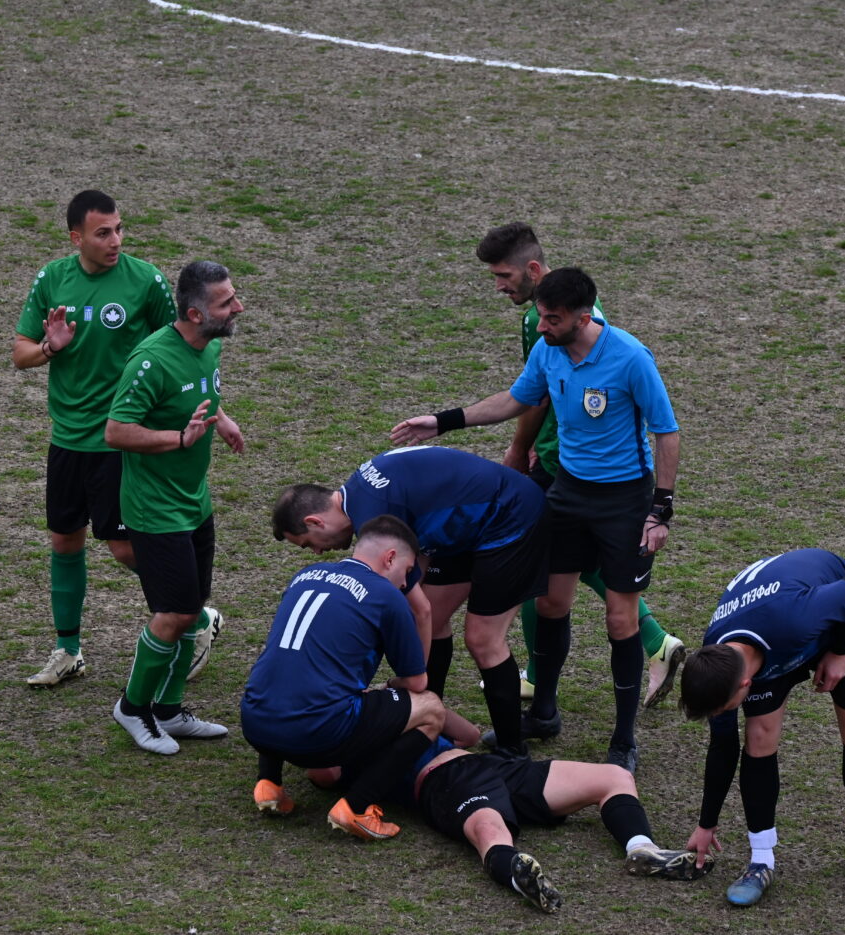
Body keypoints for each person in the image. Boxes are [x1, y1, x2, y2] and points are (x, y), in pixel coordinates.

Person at [391, 267, 680, 773]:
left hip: (623, 503)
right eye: (541, 316)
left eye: (552, 318)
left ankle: (623, 738)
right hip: (567, 493)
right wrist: (442, 421)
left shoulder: (631, 357)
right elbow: (514, 400)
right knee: (550, 602)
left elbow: (667, 432)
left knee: (620, 619)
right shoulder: (549, 351)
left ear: (583, 317)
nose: (541, 326)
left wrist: (660, 509)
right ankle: (544, 711)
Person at [13, 190, 222, 687]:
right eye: (103, 232)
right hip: (67, 440)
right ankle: (68, 651)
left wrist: (217, 409)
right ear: (76, 237)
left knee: (127, 549)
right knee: (65, 542)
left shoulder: (144, 280)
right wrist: (49, 347)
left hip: (117, 443)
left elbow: (176, 349)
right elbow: (20, 352)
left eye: (119, 229)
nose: (115, 240)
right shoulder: (52, 279)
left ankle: (194, 618)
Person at [475, 222, 686, 709]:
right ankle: (655, 642)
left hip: (566, 462)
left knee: (544, 572)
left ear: (533, 269)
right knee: (570, 566)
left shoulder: (547, 319)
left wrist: (520, 451)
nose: (499, 285)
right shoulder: (567, 307)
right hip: (568, 462)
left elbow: (538, 398)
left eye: (504, 275)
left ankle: (541, 676)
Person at [270, 446, 548, 756]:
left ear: (315, 522)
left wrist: (412, 680)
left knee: (483, 639)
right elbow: (420, 587)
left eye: (309, 544)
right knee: (436, 618)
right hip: (467, 524)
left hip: (510, 515)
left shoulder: (373, 522)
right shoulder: (360, 494)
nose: (319, 553)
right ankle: (429, 720)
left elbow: (419, 610)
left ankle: (512, 751)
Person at [677, 549, 845, 906]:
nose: (721, 715)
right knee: (759, 736)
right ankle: (761, 861)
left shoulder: (794, 619)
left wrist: (840, 652)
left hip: (839, 620)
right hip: (775, 644)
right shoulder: (716, 660)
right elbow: (723, 747)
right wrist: (706, 823)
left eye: (723, 709)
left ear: (743, 686)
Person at [300, 738, 714, 913]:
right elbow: (322, 774)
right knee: (489, 829)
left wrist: (417, 705)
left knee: (613, 777)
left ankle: (641, 847)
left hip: (497, 767)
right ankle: (518, 874)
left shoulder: (395, 705)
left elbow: (465, 732)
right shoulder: (348, 747)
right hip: (444, 783)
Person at [104, 260, 246, 755]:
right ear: (193, 312)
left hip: (194, 501)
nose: (238, 307)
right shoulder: (151, 360)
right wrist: (178, 438)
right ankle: (133, 707)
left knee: (191, 611)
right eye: (227, 302)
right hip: (154, 509)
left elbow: (201, 391)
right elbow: (116, 431)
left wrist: (222, 420)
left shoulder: (209, 345)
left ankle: (169, 710)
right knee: (174, 613)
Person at [242, 515, 445, 840]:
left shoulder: (304, 575)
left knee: (290, 673)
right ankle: (356, 806)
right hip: (317, 732)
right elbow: (417, 683)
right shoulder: (385, 594)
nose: (404, 584)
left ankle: (269, 785)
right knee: (432, 709)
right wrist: (388, 688)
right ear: (390, 557)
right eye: (406, 573)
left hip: (254, 721)